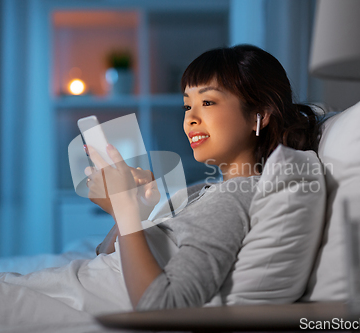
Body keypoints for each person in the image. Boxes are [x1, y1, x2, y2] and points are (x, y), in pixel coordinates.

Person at [84, 44, 321, 311]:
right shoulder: (202, 190)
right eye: (187, 105)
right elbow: (104, 256)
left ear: (260, 114)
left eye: (207, 102)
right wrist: (134, 209)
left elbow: (162, 308)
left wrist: (124, 208)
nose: (190, 119)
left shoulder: (233, 198)